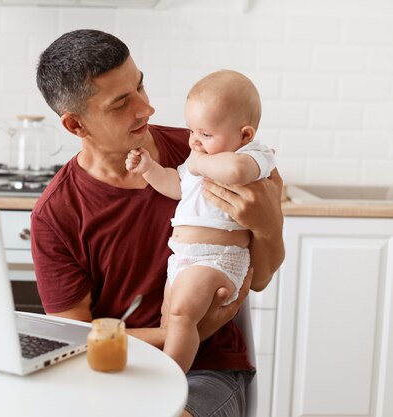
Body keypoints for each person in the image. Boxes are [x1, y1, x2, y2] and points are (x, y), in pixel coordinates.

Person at [32, 29, 285, 417]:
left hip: (206, 369)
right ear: (75, 126)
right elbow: (75, 343)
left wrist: (267, 226)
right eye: (121, 104)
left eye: (140, 86)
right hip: (117, 372)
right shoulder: (56, 214)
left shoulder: (208, 150)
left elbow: (262, 277)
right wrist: (176, 333)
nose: (146, 108)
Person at [124, 69, 276, 374]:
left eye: (205, 134)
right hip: (183, 259)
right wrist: (149, 168)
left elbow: (236, 172)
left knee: (180, 317)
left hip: (218, 260)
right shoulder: (199, 157)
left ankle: (169, 378)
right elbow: (175, 185)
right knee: (171, 319)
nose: (194, 141)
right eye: (191, 131)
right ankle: (172, 370)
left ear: (245, 134)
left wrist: (198, 163)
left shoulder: (253, 154)